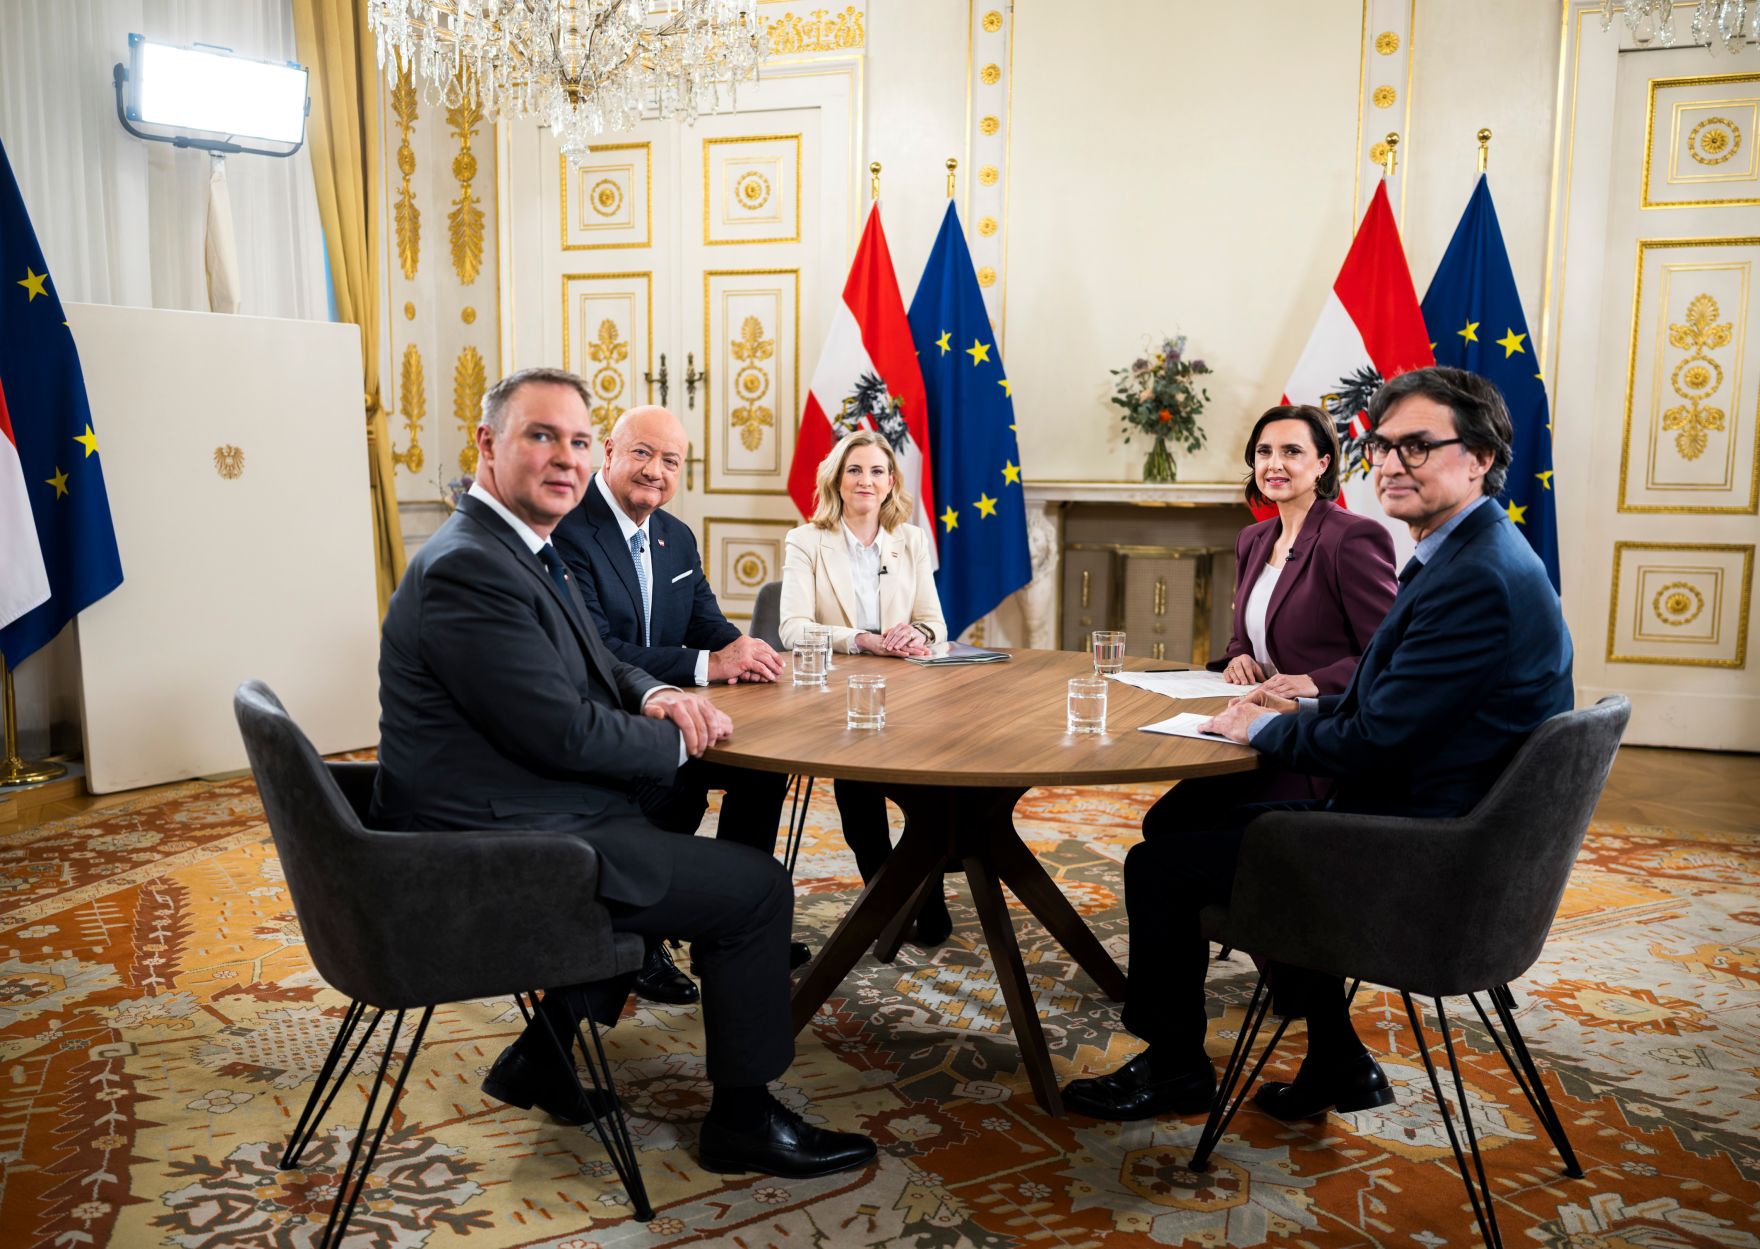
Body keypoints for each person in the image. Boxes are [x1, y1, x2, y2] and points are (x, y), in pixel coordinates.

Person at [372, 366, 875, 1178]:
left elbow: (596, 662)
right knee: (753, 888)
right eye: (543, 436)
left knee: (661, 819)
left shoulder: (518, 547)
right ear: (488, 445)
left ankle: (541, 1056)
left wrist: (655, 698)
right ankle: (744, 1118)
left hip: (518, 805)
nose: (565, 458)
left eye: (575, 439)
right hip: (493, 846)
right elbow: (564, 732)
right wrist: (683, 739)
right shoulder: (473, 567)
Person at [1064, 366, 1574, 1123]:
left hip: (1425, 851)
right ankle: (1336, 1057)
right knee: (1192, 825)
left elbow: (1373, 736)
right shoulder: (1471, 554)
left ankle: (1175, 1068)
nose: (1394, 463)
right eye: (1387, 446)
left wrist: (1263, 724)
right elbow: (1385, 700)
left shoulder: (1476, 579)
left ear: (1481, 457)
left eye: (1419, 446)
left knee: (1160, 864)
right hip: (1438, 817)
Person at [552, 403, 802, 1003]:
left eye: (670, 460)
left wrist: (744, 649)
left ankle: (730, 925)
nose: (655, 471)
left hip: (671, 712)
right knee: (678, 781)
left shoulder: (675, 536)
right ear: (608, 453)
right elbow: (599, 650)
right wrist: (708, 666)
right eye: (642, 453)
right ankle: (646, 938)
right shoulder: (568, 529)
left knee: (763, 774)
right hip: (603, 722)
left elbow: (704, 619)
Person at [1146, 405, 1398, 828]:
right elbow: (1245, 636)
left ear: (1322, 464)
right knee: (1163, 822)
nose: (1274, 464)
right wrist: (1239, 656)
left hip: (1311, 743)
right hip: (1250, 727)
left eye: (1291, 451)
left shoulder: (1351, 537)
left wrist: (1316, 680)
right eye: (1264, 452)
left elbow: (1387, 655)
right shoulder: (1253, 538)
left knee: (1184, 833)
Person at [778, 429, 953, 945]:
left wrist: (911, 632)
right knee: (858, 789)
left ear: (891, 481)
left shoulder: (910, 540)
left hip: (909, 695)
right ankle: (887, 892)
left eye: (877, 471)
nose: (865, 480)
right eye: (855, 469)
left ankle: (928, 892)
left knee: (933, 782)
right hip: (838, 697)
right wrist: (861, 639)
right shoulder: (806, 540)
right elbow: (791, 628)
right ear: (837, 477)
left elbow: (934, 625)